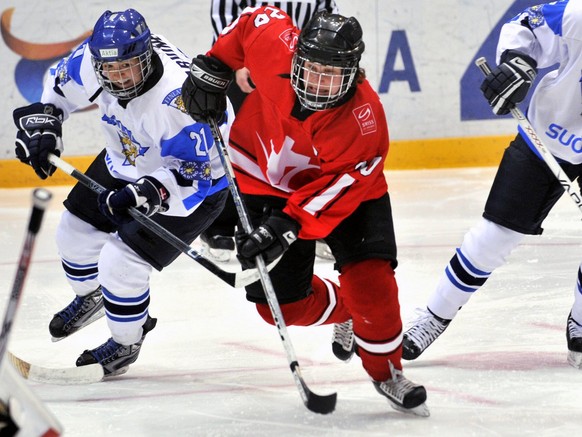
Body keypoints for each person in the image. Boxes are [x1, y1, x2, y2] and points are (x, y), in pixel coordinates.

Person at [181, 6, 429, 416]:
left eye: (332, 75)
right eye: (312, 69)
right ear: (295, 56)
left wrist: (285, 224)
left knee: (373, 284)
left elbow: (343, 185)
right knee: (280, 307)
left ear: (353, 73)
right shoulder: (274, 43)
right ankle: (347, 308)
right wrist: (214, 65)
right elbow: (250, 23)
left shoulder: (364, 120)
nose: (318, 83)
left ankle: (387, 372)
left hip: (348, 194)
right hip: (263, 177)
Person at [12, 9, 231, 377]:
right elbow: (60, 87)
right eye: (108, 70)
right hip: (127, 158)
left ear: (146, 57)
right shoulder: (95, 61)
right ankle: (92, 298)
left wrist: (145, 193)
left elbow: (195, 174)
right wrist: (47, 120)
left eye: (126, 68)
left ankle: (126, 340)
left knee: (120, 263)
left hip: (194, 185)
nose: (116, 78)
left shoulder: (177, 102)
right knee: (72, 233)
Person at [401, 0, 582, 370]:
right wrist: (518, 62)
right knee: (493, 237)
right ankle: (435, 315)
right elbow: (527, 24)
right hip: (550, 135)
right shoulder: (578, 14)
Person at [201, 0, 339, 262]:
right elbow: (225, 12)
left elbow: (327, 14)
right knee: (235, 144)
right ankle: (221, 222)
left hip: (303, 71)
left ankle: (308, 219)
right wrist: (239, 62)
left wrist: (318, 59)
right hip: (245, 63)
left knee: (303, 147)